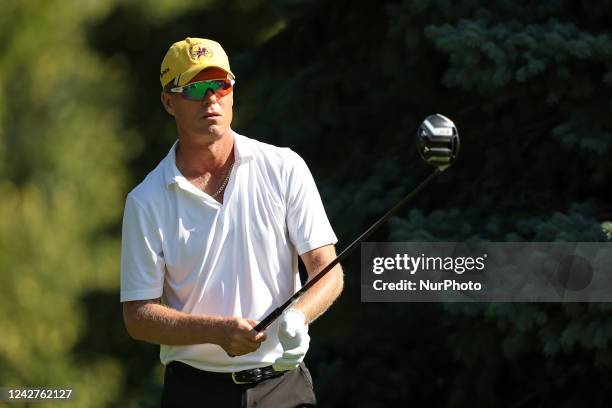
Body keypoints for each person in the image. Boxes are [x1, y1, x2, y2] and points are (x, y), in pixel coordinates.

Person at [120, 37, 344, 408]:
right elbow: (138, 315)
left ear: (232, 92)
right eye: (195, 88)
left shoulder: (284, 167)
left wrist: (297, 316)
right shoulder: (146, 200)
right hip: (195, 392)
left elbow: (327, 269)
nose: (211, 98)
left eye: (220, 85)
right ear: (168, 102)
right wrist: (216, 331)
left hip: (282, 387)